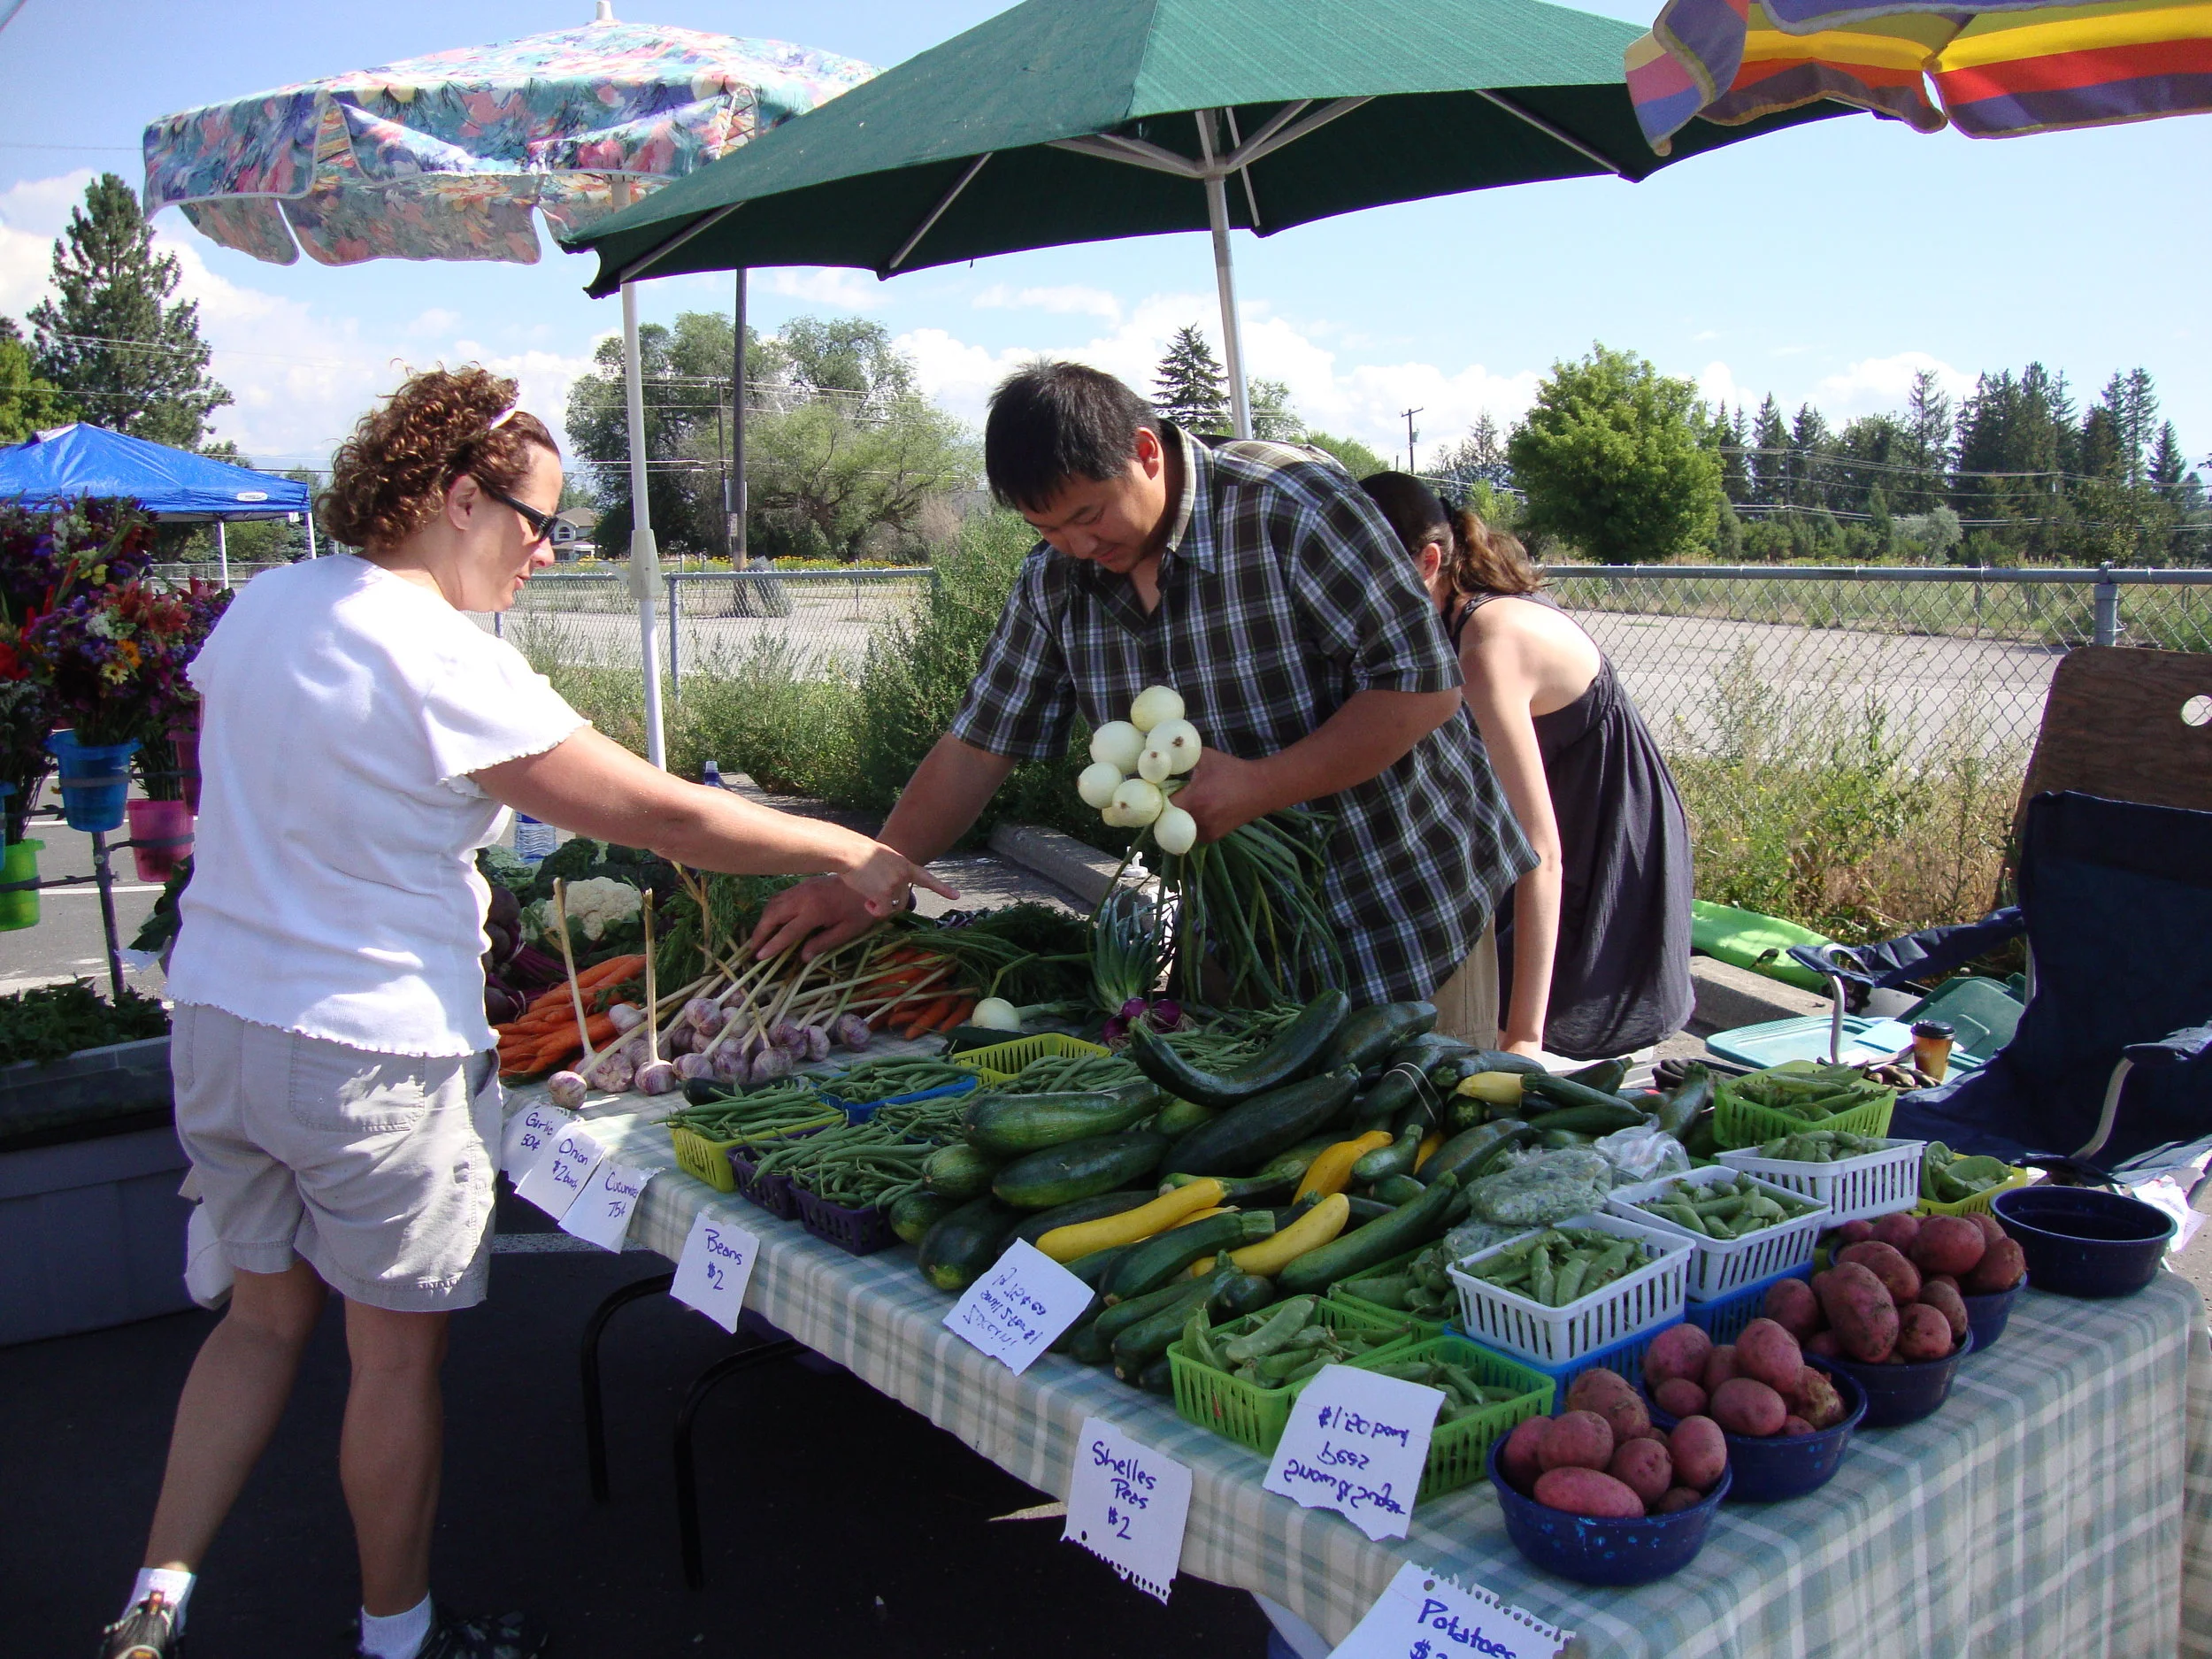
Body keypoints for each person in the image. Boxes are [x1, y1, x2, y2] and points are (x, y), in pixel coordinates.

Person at [103, 368, 950, 1659]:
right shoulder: (444, 655)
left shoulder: (267, 602)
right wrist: (848, 845)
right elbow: (660, 812)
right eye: (534, 518)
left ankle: (156, 1594)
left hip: (218, 1021)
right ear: (455, 496)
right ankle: (402, 1638)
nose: (546, 549)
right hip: (369, 1054)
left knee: (260, 1320)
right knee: (390, 1366)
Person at [750, 363, 1533, 1031]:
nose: (1079, 546)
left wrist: (1263, 786)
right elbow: (977, 746)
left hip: (1406, 904)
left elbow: (1423, 686)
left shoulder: (1290, 505)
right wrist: (874, 875)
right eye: (1048, 528)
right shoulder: (1055, 581)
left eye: (1089, 515)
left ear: (1147, 453)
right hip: (1241, 931)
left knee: (1425, 1167)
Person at [1359, 472, 1693, 1060]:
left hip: (1600, 844)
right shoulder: (1451, 609)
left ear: (1427, 561)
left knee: (1544, 1039)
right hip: (1559, 828)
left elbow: (1542, 853)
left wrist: (1524, 1041)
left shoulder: (1487, 641)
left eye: (1367, 573)